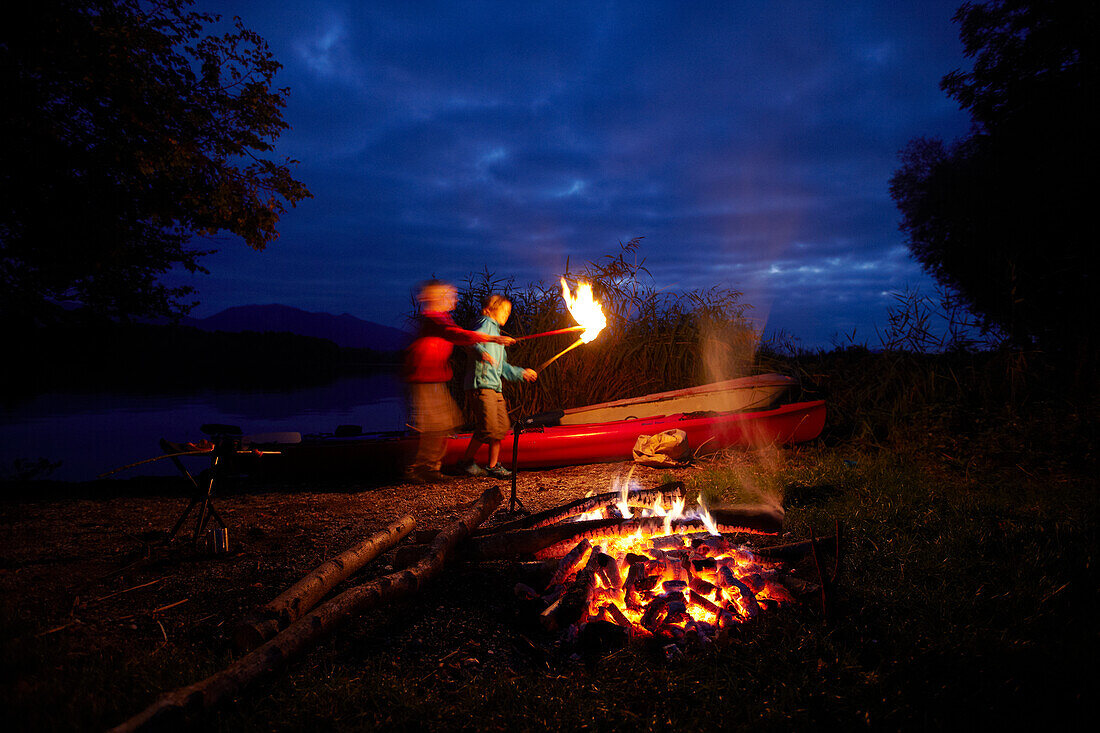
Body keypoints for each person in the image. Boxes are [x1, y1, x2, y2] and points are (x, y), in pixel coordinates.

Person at [404, 280, 512, 484]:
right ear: (435, 298)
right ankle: (418, 469)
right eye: (449, 295)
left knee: (446, 423)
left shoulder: (444, 319)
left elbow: (459, 337)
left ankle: (431, 468)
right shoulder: (434, 319)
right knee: (436, 425)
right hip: (423, 378)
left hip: (436, 378)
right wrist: (490, 340)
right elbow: (456, 335)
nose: (455, 298)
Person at [458, 294, 537, 478]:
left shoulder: (498, 336)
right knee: (487, 427)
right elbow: (470, 340)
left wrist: (522, 373)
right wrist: (481, 352)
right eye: (505, 310)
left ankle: (493, 465)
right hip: (481, 385)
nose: (507, 314)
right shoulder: (485, 324)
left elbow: (502, 368)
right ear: (491, 309)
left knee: (501, 426)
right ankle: (466, 462)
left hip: (495, 386)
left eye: (509, 312)